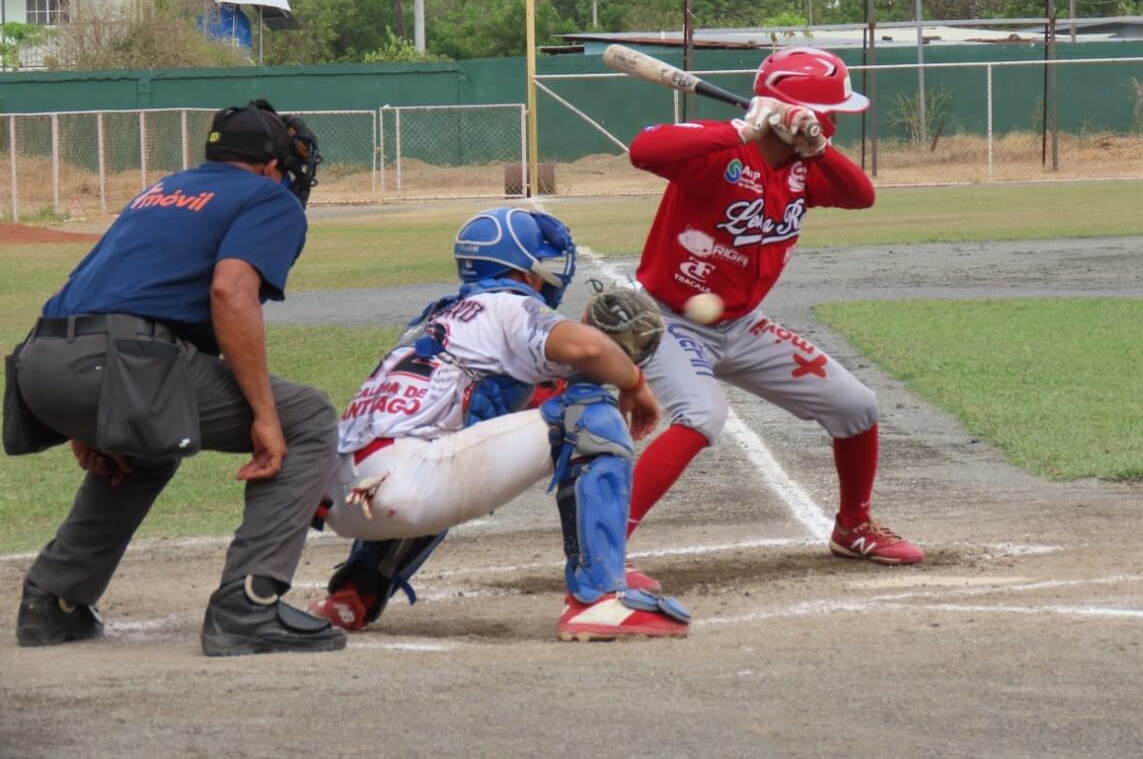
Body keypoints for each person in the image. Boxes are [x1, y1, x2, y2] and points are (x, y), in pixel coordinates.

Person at [8, 99, 348, 656]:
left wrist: (87, 413)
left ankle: (54, 601)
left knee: (149, 440)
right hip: (115, 364)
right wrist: (265, 417)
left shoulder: (162, 192)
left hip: (41, 362)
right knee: (305, 416)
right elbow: (230, 291)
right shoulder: (268, 197)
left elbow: (80, 288)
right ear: (270, 164)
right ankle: (249, 605)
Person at [307, 207, 690, 641]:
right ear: (522, 271)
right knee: (590, 412)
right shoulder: (508, 305)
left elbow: (525, 403)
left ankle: (354, 596)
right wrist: (634, 382)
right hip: (408, 483)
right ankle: (600, 600)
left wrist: (588, 364)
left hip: (341, 498)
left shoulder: (438, 319)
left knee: (445, 452)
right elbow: (586, 349)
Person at [621, 47, 924, 590]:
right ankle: (604, 546)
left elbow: (863, 196)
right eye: (827, 112)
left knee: (856, 405)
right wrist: (741, 130)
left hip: (742, 324)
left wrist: (820, 148)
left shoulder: (807, 165)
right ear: (788, 106)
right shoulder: (720, 148)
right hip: (668, 319)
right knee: (701, 416)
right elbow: (644, 149)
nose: (831, 120)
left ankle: (853, 526)